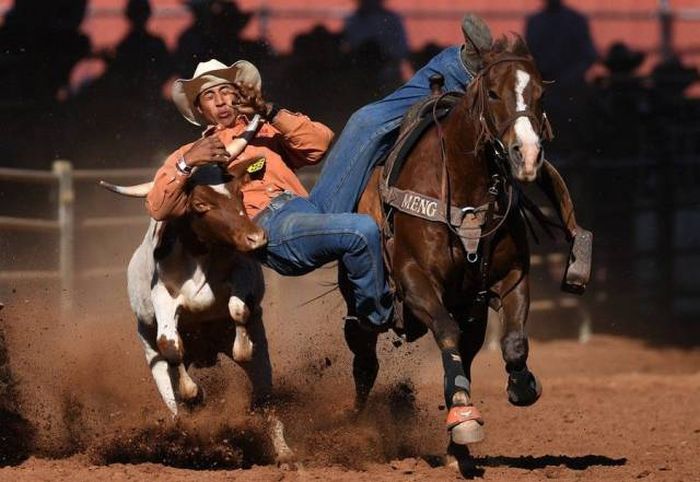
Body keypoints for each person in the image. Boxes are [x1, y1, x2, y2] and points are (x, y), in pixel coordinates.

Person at [145, 59, 393, 331]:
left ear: (239, 95)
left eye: (226, 91)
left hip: (309, 208)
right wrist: (186, 163)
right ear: (200, 110)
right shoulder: (190, 153)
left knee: (366, 123)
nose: (220, 101)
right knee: (361, 228)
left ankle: (447, 70)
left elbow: (319, 144)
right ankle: (376, 316)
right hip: (269, 223)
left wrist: (269, 111)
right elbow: (159, 207)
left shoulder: (267, 128)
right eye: (209, 95)